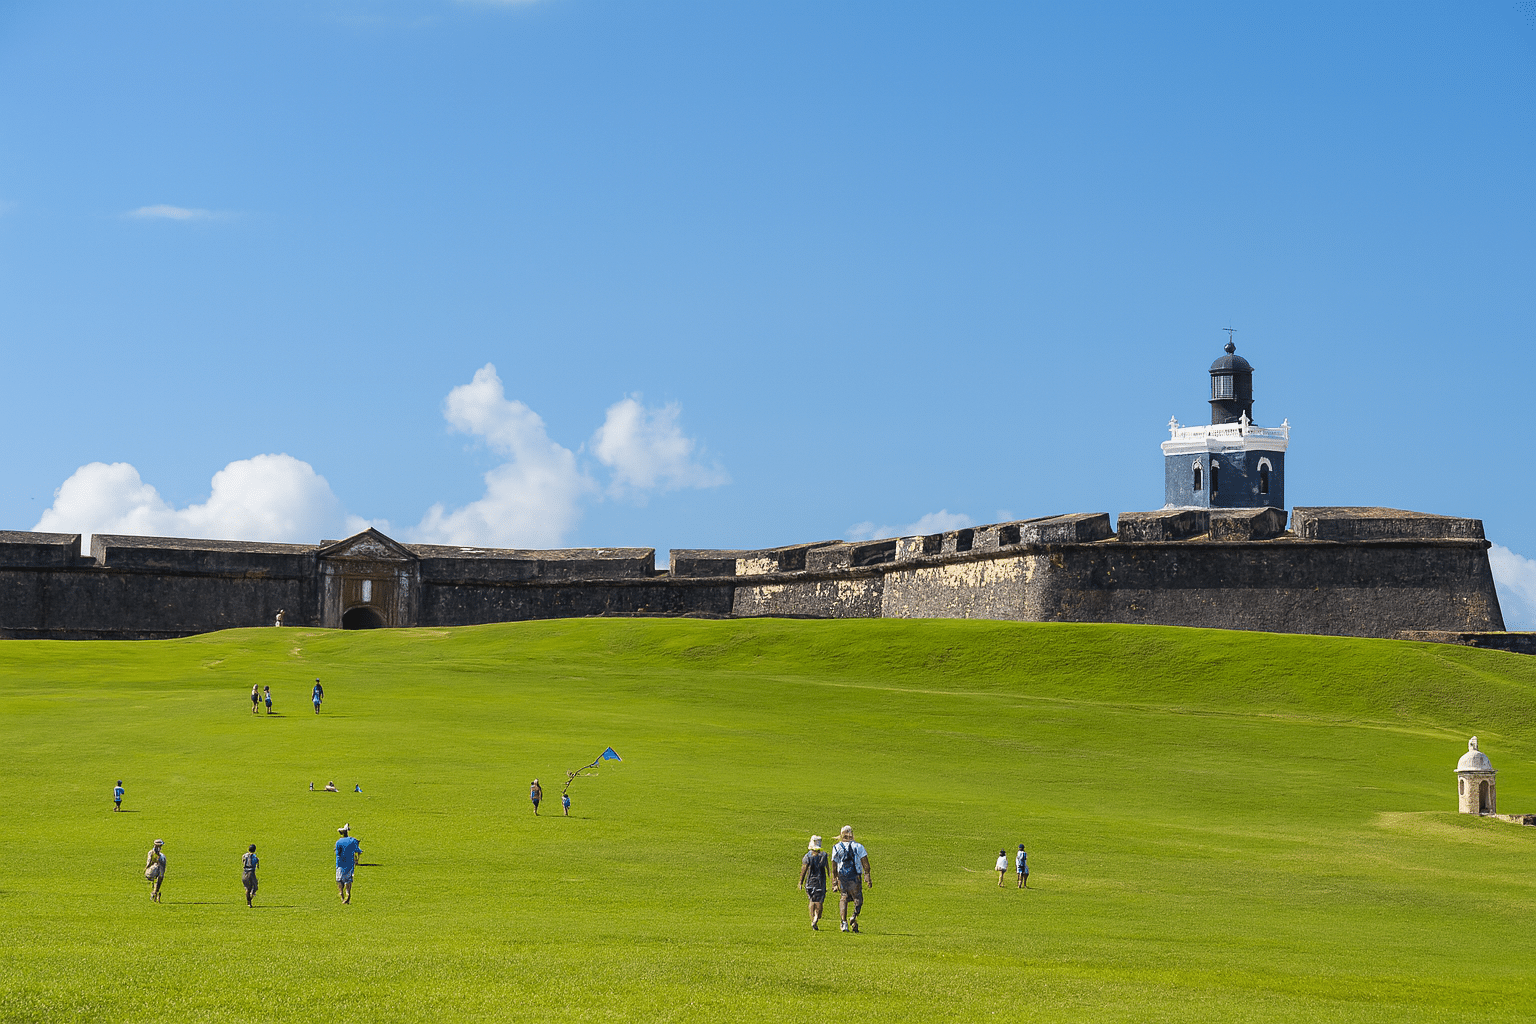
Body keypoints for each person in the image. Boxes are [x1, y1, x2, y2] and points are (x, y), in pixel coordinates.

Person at [830, 825, 871, 933]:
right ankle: (853, 917)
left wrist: (834, 881)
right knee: (858, 899)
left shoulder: (836, 847)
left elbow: (834, 865)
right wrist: (867, 875)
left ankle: (843, 923)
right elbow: (865, 862)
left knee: (843, 897)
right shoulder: (858, 846)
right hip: (855, 877)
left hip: (842, 877)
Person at [799, 835, 828, 930]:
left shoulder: (807, 856)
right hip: (821, 882)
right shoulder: (824, 856)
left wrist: (800, 882)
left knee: (812, 900)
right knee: (819, 902)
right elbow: (828, 870)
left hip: (810, 882)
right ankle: (816, 918)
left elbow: (804, 870)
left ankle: (813, 920)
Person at [335, 824, 361, 904]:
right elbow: (358, 851)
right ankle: (348, 893)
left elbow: (337, 852)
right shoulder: (353, 840)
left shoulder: (338, 842)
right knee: (348, 880)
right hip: (350, 863)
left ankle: (341, 894)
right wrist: (356, 860)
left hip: (340, 863)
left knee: (340, 880)